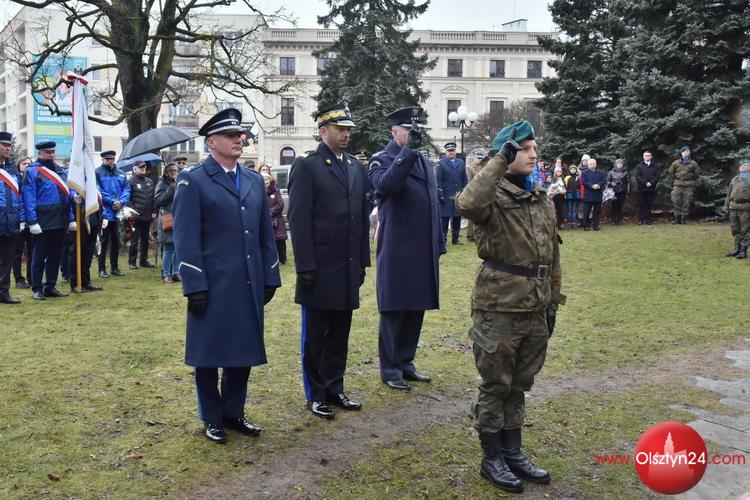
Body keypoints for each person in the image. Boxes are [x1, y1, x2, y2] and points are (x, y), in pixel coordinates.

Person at [456, 120, 565, 494]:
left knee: (520, 383)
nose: (534, 154)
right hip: (499, 308)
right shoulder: (491, 198)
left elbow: (552, 257)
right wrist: (499, 159)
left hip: (535, 307)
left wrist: (553, 302)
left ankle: (513, 452)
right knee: (496, 384)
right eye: (525, 148)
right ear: (506, 154)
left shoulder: (541, 199)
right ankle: (491, 458)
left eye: (535, 147)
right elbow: (467, 203)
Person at [173, 107, 281, 443]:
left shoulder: (252, 179)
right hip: (212, 283)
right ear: (211, 142)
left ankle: (234, 412)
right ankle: (212, 417)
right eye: (231, 135)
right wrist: (194, 284)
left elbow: (265, 233)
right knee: (208, 353)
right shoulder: (193, 180)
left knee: (241, 349)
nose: (239, 139)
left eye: (240, 134)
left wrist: (270, 275)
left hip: (247, 280)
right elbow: (185, 237)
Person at [288, 105, 370, 419]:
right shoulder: (307, 166)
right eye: (340, 129)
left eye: (348, 129)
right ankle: (316, 393)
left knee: (340, 333)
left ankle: (335, 388)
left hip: (347, 264)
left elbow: (360, 217)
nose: (346, 134)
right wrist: (305, 266)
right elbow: (299, 220)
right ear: (324, 131)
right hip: (320, 266)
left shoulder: (354, 166)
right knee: (316, 336)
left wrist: (362, 260)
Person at [368, 106, 445, 391]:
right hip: (398, 248)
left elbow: (433, 202)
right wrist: (407, 152)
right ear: (395, 131)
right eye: (409, 130)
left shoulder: (424, 161)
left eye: (417, 131)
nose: (414, 135)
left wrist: (439, 241)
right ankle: (390, 368)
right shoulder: (381, 159)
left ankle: (405, 362)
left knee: (416, 308)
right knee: (394, 310)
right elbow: (386, 186)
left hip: (423, 247)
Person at [22, 141, 70, 301]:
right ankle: (37, 288)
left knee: (56, 254)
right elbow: (29, 197)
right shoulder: (32, 171)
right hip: (42, 220)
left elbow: (66, 194)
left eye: (53, 152)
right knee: (39, 255)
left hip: (60, 218)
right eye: (48, 152)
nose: (51, 155)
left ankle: (50, 285)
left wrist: (70, 217)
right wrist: (32, 221)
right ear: (40, 153)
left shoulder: (59, 171)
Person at [96, 150, 130, 277]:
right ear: (103, 160)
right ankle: (101, 268)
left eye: (112, 159)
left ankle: (114, 267)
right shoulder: (97, 172)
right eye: (107, 159)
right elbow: (98, 190)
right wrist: (112, 202)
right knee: (103, 241)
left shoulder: (121, 173)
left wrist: (121, 202)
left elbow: (127, 189)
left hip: (119, 212)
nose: (110, 161)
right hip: (105, 212)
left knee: (116, 241)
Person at [0, 132, 25, 304]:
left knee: (7, 259)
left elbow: (20, 196)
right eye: (4, 145)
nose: (8, 148)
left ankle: (3, 292)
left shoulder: (13, 171)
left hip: (11, 220)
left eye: (9, 145)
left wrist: (21, 218)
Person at [67, 192, 104, 293]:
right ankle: (75, 283)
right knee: (76, 253)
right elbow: (69, 199)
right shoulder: (75, 187)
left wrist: (101, 218)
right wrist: (71, 219)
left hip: (93, 221)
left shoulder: (93, 185)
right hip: (79, 221)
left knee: (88, 254)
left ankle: (86, 281)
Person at [436, 142, 468, 245]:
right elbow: (438, 180)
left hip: (458, 195)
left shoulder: (461, 162)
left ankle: (455, 239)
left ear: (455, 151)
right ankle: (443, 240)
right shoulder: (441, 163)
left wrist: (465, 191)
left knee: (457, 217)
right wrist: (440, 193)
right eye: (449, 151)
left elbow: (464, 179)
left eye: (452, 150)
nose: (451, 152)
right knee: (444, 219)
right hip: (446, 195)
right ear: (446, 152)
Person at [126, 161, 156, 269]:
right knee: (133, 240)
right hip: (135, 216)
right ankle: (132, 261)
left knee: (145, 240)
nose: (143, 168)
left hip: (148, 215)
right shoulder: (130, 181)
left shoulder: (150, 181)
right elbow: (127, 198)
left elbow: (154, 198)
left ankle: (144, 260)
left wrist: (154, 211)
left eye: (144, 166)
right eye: (141, 167)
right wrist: (133, 211)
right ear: (134, 169)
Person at [154, 162, 178, 283]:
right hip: (167, 217)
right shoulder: (162, 184)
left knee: (177, 247)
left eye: (175, 170)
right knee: (168, 247)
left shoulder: (180, 182)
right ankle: (166, 274)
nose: (173, 172)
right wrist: (170, 189)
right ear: (166, 173)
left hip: (179, 217)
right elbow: (158, 201)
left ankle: (175, 273)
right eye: (171, 170)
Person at [12, 156, 33, 289]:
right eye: (24, 163)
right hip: (19, 220)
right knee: (17, 252)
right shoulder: (14, 179)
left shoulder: (33, 178)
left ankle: (32, 277)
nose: (27, 165)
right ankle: (18, 278)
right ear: (19, 166)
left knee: (32, 251)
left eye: (29, 163)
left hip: (32, 221)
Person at [724, 160, 750, 259]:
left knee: (745, 230)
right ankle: (737, 248)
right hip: (733, 207)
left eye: (746, 166)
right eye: (742, 166)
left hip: (745, 208)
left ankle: (743, 250)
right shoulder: (735, 179)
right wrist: (726, 206)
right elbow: (729, 193)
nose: (743, 167)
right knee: (735, 229)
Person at [668, 146, 700, 224]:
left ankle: (683, 218)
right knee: (676, 200)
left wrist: (690, 178)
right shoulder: (676, 163)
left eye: (687, 151)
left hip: (688, 184)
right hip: (678, 184)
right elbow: (671, 172)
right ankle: (677, 218)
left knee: (687, 202)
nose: (686, 153)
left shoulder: (693, 163)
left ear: (689, 153)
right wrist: (677, 178)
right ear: (681, 153)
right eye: (684, 152)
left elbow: (696, 173)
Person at [263, 172, 287, 265]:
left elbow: (280, 204)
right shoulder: (258, 191)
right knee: (268, 240)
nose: (265, 182)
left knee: (280, 240)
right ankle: (271, 259)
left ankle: (282, 259)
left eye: (266, 180)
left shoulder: (276, 191)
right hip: (265, 219)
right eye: (263, 180)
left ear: (270, 180)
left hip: (277, 219)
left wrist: (270, 211)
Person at [635, 150, 659, 225]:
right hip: (641, 188)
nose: (647, 157)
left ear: (651, 157)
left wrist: (651, 183)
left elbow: (657, 176)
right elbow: (637, 176)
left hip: (651, 188)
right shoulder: (639, 166)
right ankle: (641, 219)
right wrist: (645, 183)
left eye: (648, 155)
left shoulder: (655, 166)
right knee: (641, 204)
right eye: (645, 155)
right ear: (643, 157)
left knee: (649, 204)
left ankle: (648, 219)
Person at [466, 149, 485, 242]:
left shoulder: (483, 168)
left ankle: (479, 234)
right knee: (472, 215)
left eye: (481, 158)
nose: (479, 160)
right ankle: (471, 235)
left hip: (482, 193)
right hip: (473, 193)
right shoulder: (469, 168)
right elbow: (469, 182)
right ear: (474, 158)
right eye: (478, 158)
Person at [581, 158, 605, 231]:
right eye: (590, 164)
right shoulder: (584, 172)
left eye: (593, 164)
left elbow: (603, 180)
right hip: (588, 194)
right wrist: (592, 186)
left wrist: (598, 185)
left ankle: (596, 225)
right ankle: (585, 225)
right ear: (588, 165)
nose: (592, 165)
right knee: (586, 211)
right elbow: (584, 181)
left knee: (597, 212)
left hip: (598, 194)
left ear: (596, 164)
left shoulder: (601, 172)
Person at [607, 159, 630, 225]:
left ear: (622, 165)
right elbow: (607, 181)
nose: (619, 165)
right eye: (618, 164)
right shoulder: (611, 172)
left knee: (620, 206)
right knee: (614, 206)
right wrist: (611, 183)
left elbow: (628, 182)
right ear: (615, 165)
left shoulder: (626, 172)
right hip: (613, 192)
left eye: (621, 164)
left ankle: (619, 220)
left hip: (622, 191)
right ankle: (613, 220)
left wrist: (628, 191)